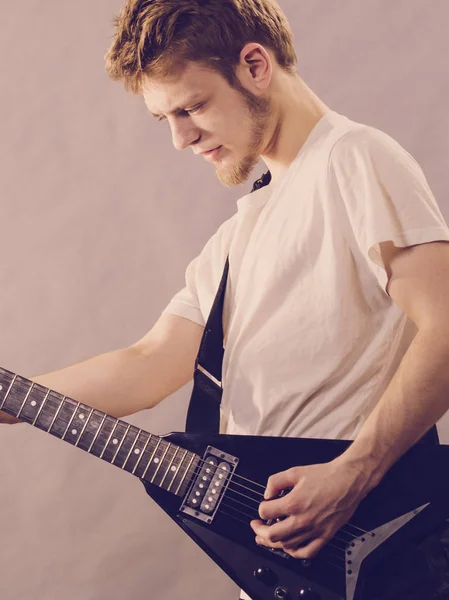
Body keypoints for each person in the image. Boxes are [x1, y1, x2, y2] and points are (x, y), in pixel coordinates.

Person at [2, 0, 449, 598]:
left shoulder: (354, 159)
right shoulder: (241, 233)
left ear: (256, 66)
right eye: (165, 118)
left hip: (369, 547)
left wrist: (354, 472)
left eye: (191, 106)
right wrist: (10, 400)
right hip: (289, 566)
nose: (181, 138)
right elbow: (152, 363)